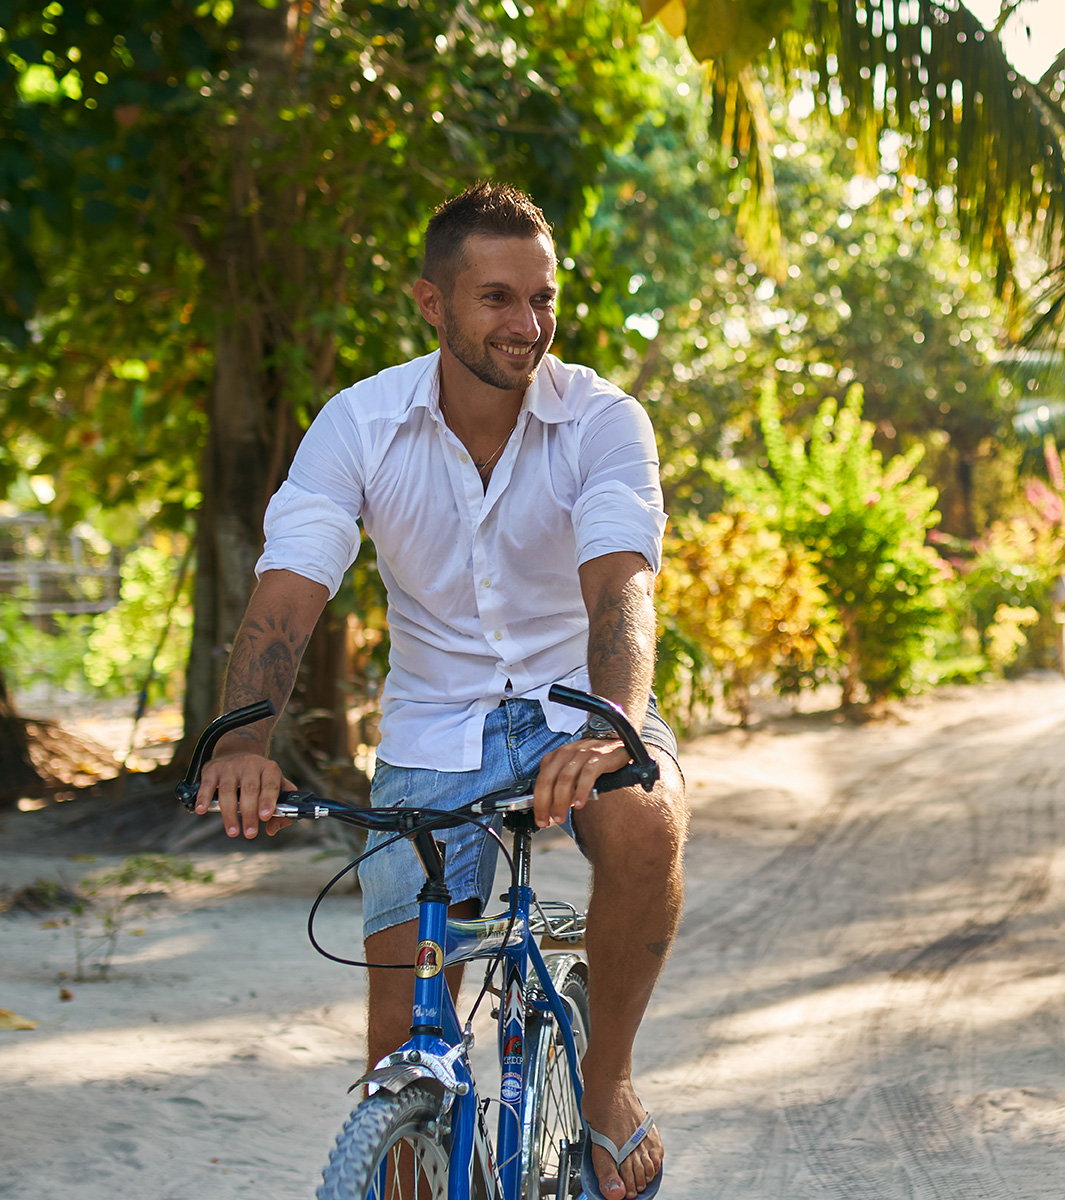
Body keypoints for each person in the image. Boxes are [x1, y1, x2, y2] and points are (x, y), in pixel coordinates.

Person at [191, 182, 681, 1200]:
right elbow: (291, 589)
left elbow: (619, 589)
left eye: (542, 299)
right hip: (433, 723)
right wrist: (242, 740)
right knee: (396, 1083)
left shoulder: (601, 419)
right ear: (431, 302)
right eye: (497, 298)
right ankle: (417, 1147)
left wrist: (616, 727)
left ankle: (606, 1081)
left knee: (644, 817)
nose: (529, 324)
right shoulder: (360, 423)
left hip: (574, 707)